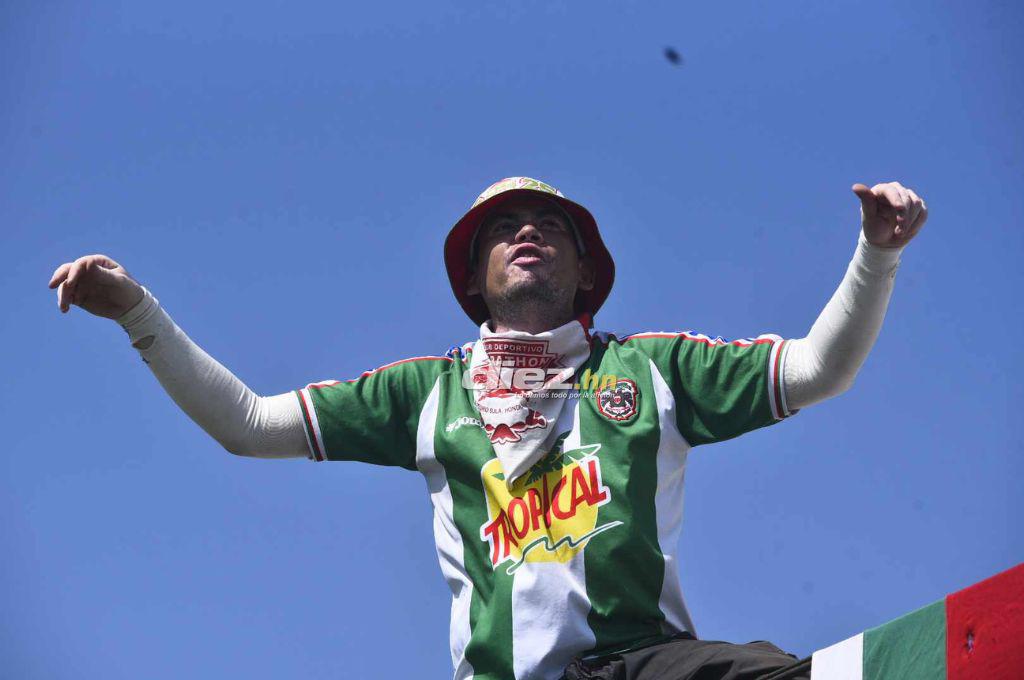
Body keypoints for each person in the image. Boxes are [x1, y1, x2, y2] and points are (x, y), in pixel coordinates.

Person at [49, 176, 928, 680]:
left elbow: (818, 370)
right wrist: (137, 313)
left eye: (550, 226)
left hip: (642, 664)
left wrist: (877, 252)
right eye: (504, 228)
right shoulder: (424, 393)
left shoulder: (650, 369)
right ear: (474, 280)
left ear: (586, 272)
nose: (528, 232)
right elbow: (246, 423)